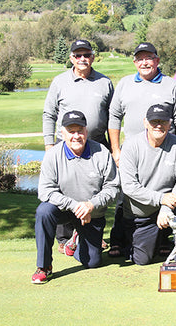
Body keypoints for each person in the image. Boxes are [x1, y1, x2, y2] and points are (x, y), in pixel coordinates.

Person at [107, 42, 176, 256]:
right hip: (131, 151)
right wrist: (116, 150)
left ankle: (162, 238)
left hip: (165, 149)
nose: (145, 62)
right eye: (140, 58)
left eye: (149, 57)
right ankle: (118, 239)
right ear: (134, 62)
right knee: (124, 197)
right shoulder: (125, 84)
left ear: (157, 60)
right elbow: (114, 117)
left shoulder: (171, 85)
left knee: (165, 190)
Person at [42, 39, 114, 253]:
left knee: (99, 189)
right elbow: (49, 114)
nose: (82, 59)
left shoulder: (104, 82)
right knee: (65, 186)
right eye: (78, 55)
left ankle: (92, 233)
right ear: (71, 57)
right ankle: (64, 237)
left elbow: (112, 117)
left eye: (86, 55)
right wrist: (48, 145)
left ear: (93, 56)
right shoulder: (59, 82)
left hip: (97, 145)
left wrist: (114, 147)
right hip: (65, 145)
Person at [32, 110, 119, 284]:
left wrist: (91, 204)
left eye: (80, 130)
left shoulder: (101, 152)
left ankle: (76, 240)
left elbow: (113, 187)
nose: (76, 136)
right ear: (62, 133)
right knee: (44, 211)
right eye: (71, 131)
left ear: (86, 131)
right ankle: (44, 266)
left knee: (92, 261)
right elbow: (45, 191)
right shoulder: (53, 155)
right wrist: (75, 205)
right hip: (64, 210)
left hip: (91, 213)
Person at [118, 104, 176, 271]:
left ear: (170, 124)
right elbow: (129, 186)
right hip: (142, 212)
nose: (158, 126)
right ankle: (158, 238)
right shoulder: (131, 145)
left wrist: (166, 207)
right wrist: (161, 199)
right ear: (145, 123)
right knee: (142, 259)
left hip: (170, 206)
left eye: (163, 122)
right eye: (154, 122)